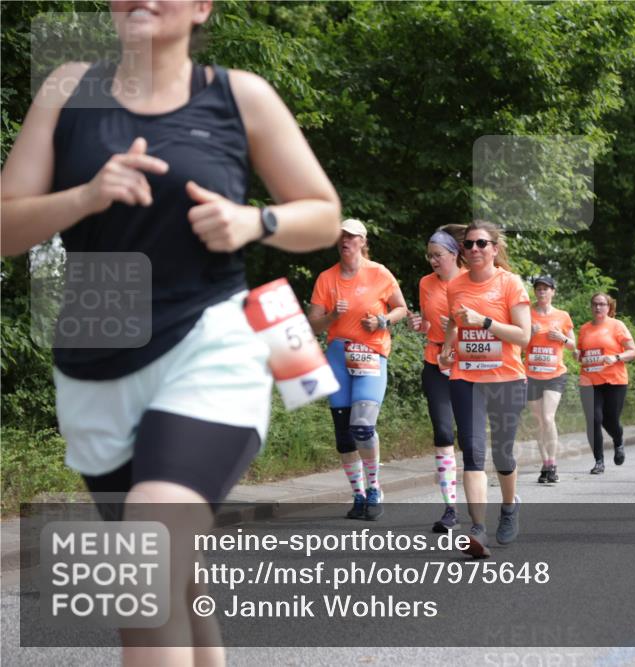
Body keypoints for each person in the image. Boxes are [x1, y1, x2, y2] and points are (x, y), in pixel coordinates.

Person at [0, 1, 341, 662]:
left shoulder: (240, 95)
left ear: (202, 6)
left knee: (143, 565)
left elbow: (323, 214)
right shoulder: (68, 89)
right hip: (94, 359)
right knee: (167, 584)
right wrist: (85, 196)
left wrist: (255, 222)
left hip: (209, 341)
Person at [439, 220, 531, 558]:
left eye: (481, 243)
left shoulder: (510, 284)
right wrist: (448, 347)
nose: (474, 249)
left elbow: (524, 336)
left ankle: (509, 506)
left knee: (503, 453)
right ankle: (477, 529)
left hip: (506, 378)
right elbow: (454, 321)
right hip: (466, 379)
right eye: (468, 244)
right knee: (473, 453)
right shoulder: (455, 286)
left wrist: (485, 322)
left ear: (494, 248)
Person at [309, 219, 407, 521]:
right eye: (341, 237)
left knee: (362, 426)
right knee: (344, 434)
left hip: (370, 354)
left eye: (351, 237)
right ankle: (358, 494)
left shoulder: (379, 273)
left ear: (363, 241)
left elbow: (401, 309)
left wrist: (381, 321)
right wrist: (330, 318)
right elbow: (312, 324)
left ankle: (375, 488)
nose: (345, 241)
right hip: (338, 356)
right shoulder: (326, 278)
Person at [408, 225, 466, 531]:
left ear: (454, 254)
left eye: (437, 255)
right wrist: (419, 325)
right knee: (443, 433)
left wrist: (457, 330)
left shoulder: (472, 282)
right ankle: (450, 508)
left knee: (469, 438)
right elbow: (427, 324)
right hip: (435, 362)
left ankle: (499, 496)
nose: (432, 260)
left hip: (468, 364)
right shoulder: (425, 283)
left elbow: (489, 327)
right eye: (429, 256)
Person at [577, 293, 635, 474]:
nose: (598, 307)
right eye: (595, 304)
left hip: (614, 380)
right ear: (591, 306)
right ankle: (599, 461)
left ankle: (618, 441)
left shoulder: (617, 326)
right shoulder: (584, 329)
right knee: (594, 419)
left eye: (602, 304)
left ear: (609, 307)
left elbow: (633, 351)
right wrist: (577, 354)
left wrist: (616, 357)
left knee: (610, 420)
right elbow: (581, 354)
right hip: (589, 381)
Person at [525, 275, 575, 484]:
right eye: (538, 289)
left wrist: (562, 338)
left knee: (547, 417)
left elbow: (573, 345)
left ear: (553, 291)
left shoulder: (562, 316)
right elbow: (517, 344)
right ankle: (545, 464)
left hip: (555, 374)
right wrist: (529, 333)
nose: (542, 292)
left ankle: (553, 464)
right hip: (532, 374)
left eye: (546, 289)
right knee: (538, 421)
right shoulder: (526, 314)